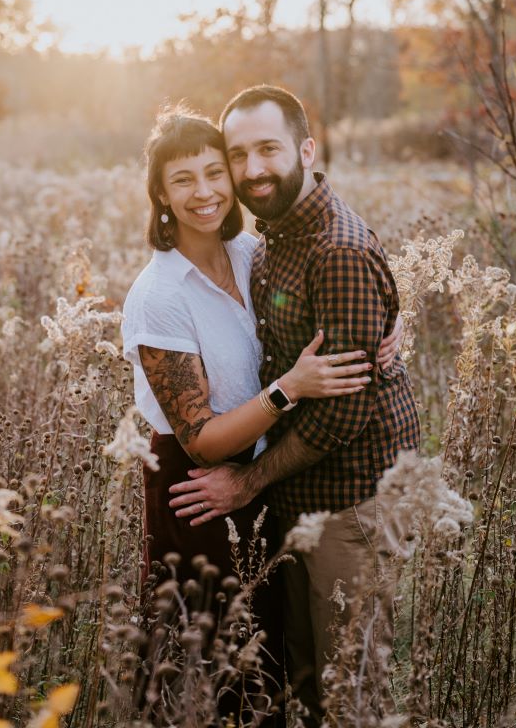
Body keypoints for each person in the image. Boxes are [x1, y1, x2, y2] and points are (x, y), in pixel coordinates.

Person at [121, 107, 402, 723]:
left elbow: (339, 282)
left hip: (263, 472)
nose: (206, 192)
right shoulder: (161, 294)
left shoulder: (250, 250)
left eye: (214, 172)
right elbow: (199, 441)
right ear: (161, 196)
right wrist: (288, 389)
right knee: (212, 656)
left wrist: (388, 325)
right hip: (200, 486)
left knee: (269, 659)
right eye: (183, 180)